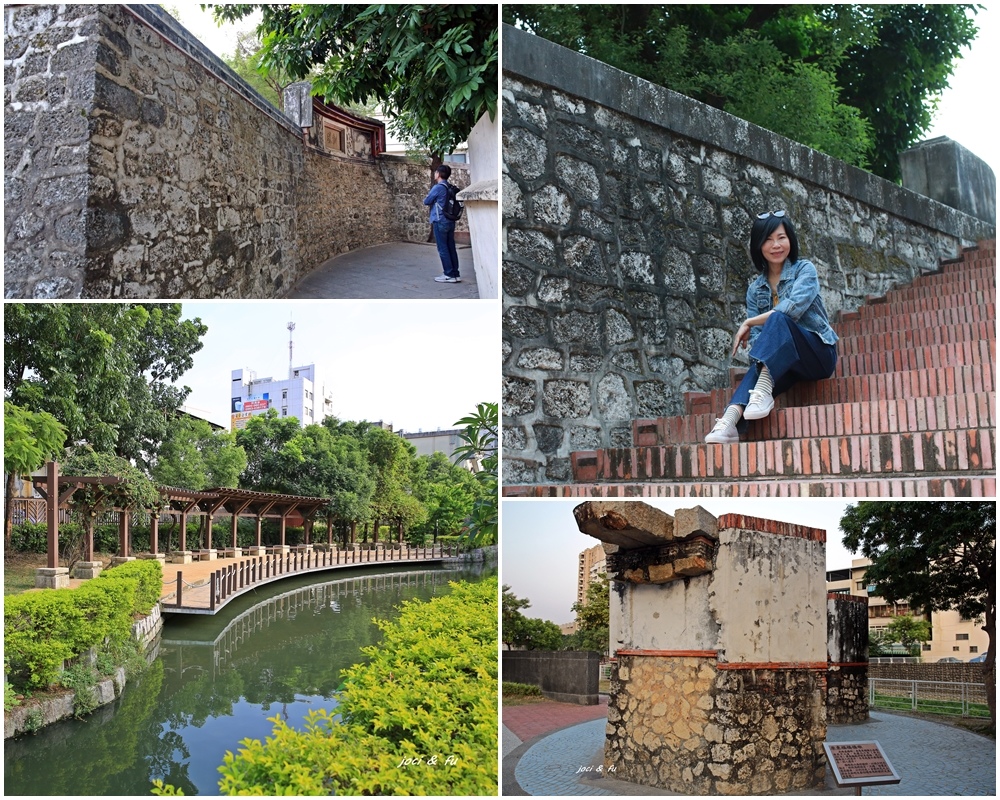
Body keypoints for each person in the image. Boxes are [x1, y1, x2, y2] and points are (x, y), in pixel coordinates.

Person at [705, 210, 839, 444]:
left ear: (790, 240)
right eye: (768, 239)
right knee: (761, 361)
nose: (775, 245)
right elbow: (759, 343)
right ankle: (729, 422)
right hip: (788, 365)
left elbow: (793, 308)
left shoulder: (804, 270)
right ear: (758, 246)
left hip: (819, 353)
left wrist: (749, 321)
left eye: (781, 237)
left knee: (778, 318)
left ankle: (762, 392)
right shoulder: (755, 290)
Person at [423, 164, 461, 283]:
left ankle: (448, 274)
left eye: (436, 172)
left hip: (440, 221)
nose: (435, 174)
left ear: (439, 174)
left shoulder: (438, 187)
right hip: (450, 221)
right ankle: (455, 274)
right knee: (451, 247)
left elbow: (427, 201)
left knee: (443, 248)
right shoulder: (449, 186)